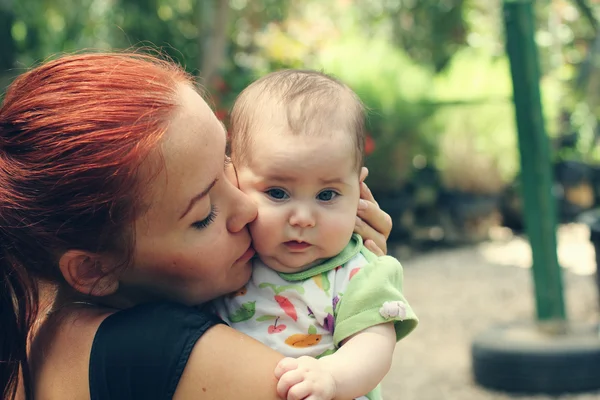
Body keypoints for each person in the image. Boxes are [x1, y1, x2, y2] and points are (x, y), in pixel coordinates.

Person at [0, 52, 393, 400]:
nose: (248, 208)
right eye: (205, 213)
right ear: (93, 269)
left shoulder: (37, 332)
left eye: (226, 166)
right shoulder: (172, 349)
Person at [217, 70, 418, 400]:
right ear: (234, 180)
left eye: (327, 195)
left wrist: (332, 376)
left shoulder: (360, 273)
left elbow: (375, 344)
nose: (303, 218)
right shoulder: (228, 259)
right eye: (278, 193)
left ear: (359, 190)